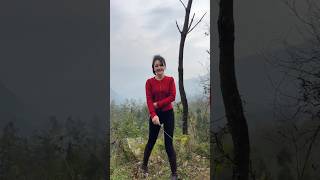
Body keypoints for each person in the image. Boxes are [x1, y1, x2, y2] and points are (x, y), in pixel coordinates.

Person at [141, 55, 178, 179]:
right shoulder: (149, 82)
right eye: (156, 65)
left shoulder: (170, 80)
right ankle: (144, 165)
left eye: (161, 65)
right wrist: (153, 115)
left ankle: (174, 174)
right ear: (153, 68)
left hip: (168, 114)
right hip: (155, 115)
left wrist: (158, 104)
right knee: (151, 141)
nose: (159, 67)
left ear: (165, 66)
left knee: (169, 144)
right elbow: (149, 100)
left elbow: (172, 97)